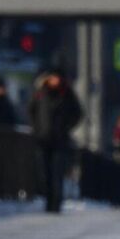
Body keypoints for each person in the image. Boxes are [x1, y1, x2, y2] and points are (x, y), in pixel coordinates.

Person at [28, 67, 83, 214]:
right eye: (52, 77)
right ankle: (48, 200)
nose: (55, 80)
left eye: (57, 78)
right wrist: (37, 128)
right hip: (43, 139)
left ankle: (56, 203)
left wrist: (66, 127)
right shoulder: (40, 93)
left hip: (60, 140)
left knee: (57, 173)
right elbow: (31, 111)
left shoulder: (67, 93)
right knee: (44, 173)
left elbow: (78, 113)